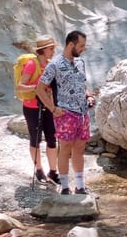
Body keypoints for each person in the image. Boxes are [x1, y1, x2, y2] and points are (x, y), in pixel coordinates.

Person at [35, 30, 96, 195]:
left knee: (79, 148)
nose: (83, 48)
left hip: (83, 113)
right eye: (81, 45)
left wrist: (88, 96)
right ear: (71, 44)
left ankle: (80, 186)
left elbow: (82, 84)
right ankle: (65, 186)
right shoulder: (54, 64)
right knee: (65, 148)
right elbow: (39, 89)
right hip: (65, 113)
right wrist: (53, 109)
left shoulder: (80, 62)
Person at [17, 36, 60, 185]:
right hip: (32, 108)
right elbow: (20, 86)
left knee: (52, 139)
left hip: (47, 106)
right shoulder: (31, 64)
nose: (53, 51)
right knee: (35, 138)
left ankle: (53, 172)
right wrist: (36, 88)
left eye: (53, 48)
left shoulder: (50, 65)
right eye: (51, 49)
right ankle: (39, 169)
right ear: (42, 50)